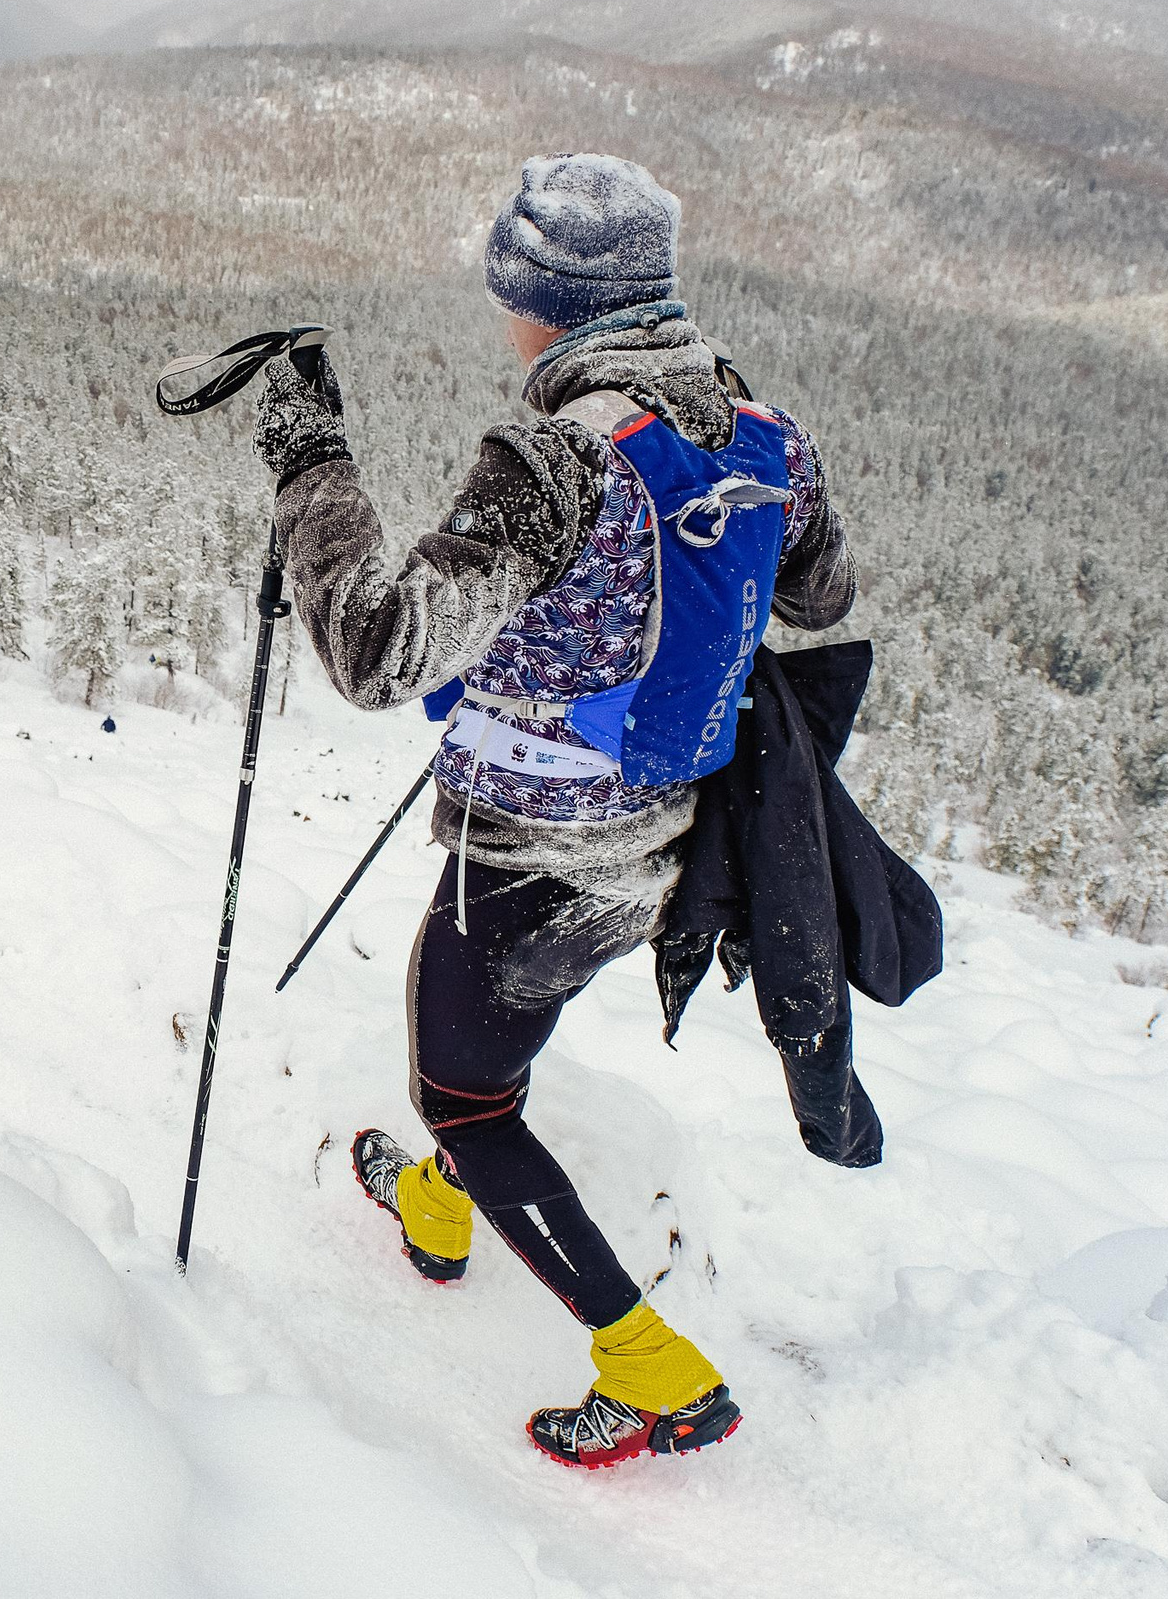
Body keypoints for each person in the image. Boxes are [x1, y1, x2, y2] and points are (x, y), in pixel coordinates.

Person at [256, 153, 856, 1469]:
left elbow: (375, 646)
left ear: (551, 304)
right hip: (664, 847)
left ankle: (650, 1366)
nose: (505, 320)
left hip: (523, 857)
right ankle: (435, 1207)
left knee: (462, 1090)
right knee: (487, 1054)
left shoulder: (552, 456)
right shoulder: (763, 432)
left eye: (511, 295)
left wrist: (312, 465)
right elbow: (819, 599)